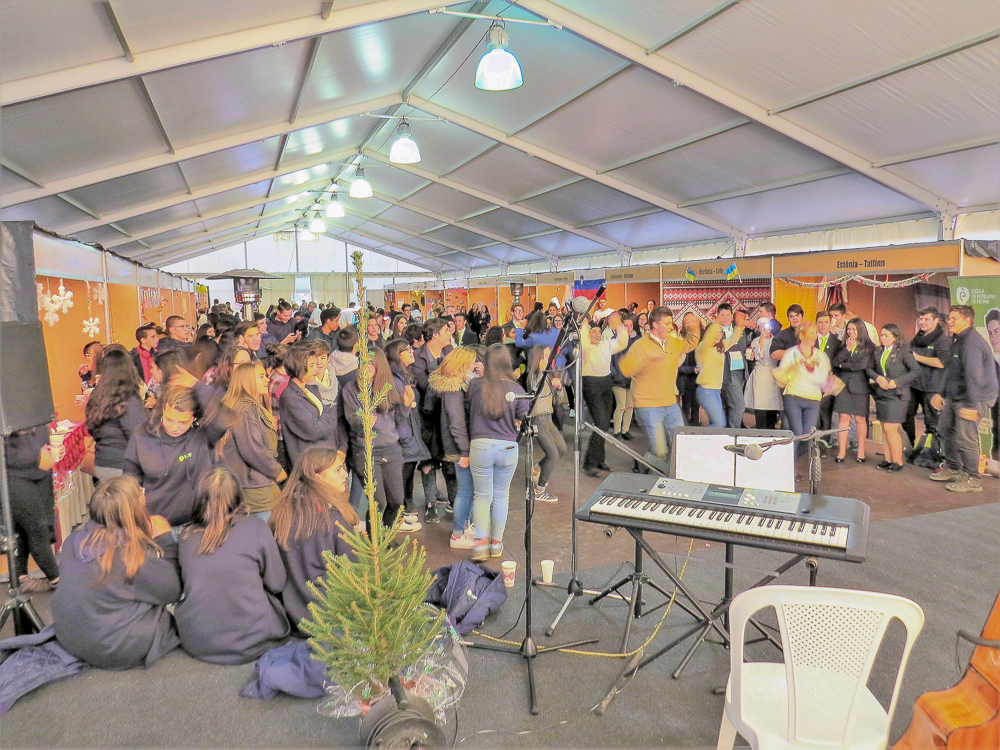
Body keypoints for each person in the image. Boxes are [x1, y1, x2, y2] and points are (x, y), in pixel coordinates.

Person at [53, 475, 180, 669]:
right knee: (162, 612)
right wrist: (164, 538)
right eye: (140, 492)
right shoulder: (130, 557)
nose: (144, 492)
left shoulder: (73, 540)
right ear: (133, 511)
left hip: (69, 638)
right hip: (113, 648)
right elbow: (173, 590)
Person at [174, 467, 289, 665]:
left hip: (197, 641)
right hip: (255, 640)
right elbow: (277, 583)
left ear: (199, 497)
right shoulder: (256, 527)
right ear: (238, 495)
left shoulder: (186, 537)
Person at [270, 447, 359, 633]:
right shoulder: (335, 521)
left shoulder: (282, 513)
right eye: (338, 470)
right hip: (330, 623)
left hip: (291, 621)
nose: (345, 475)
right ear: (317, 477)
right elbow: (354, 575)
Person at [124, 380, 232, 526]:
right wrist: (135, 492)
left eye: (183, 422)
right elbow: (131, 472)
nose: (174, 428)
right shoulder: (141, 434)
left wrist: (197, 385)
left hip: (195, 522)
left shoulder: (202, 434)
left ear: (194, 418)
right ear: (162, 410)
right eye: (168, 419)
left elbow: (224, 417)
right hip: (155, 523)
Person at [341, 349, 419, 531]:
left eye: (370, 364)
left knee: (397, 501)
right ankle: (375, 542)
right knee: (378, 502)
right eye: (363, 363)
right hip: (366, 450)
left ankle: (385, 538)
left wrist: (406, 405)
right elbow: (352, 422)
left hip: (391, 448)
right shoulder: (351, 389)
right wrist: (363, 422)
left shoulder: (388, 387)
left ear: (379, 366)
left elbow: (398, 420)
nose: (366, 368)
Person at [928, 305, 998, 493]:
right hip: (958, 394)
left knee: (966, 437)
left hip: (977, 397)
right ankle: (953, 469)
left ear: (967, 321)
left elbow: (974, 377)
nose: (949, 322)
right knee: (945, 429)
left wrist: (971, 405)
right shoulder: (957, 339)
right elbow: (951, 370)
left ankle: (973, 479)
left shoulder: (971, 342)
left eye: (954, 319)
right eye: (949, 318)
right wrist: (941, 393)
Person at [467, 344, 528, 561]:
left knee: (482, 496)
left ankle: (480, 546)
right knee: (502, 495)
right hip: (507, 447)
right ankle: (496, 544)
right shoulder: (516, 389)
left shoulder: (475, 385)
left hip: (480, 446)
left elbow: (468, 409)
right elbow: (523, 417)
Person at [619, 306, 701, 461]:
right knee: (660, 452)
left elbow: (690, 344)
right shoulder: (640, 345)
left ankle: (665, 471)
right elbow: (625, 369)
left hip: (670, 403)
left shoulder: (673, 342)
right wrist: (647, 358)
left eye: (671, 323)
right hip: (648, 405)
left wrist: (693, 326)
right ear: (655, 325)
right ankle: (647, 468)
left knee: (680, 445)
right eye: (667, 323)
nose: (671, 326)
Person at [215, 361, 287, 520]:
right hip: (255, 489)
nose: (267, 379)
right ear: (247, 380)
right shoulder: (246, 409)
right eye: (261, 376)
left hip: (245, 487)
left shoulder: (240, 406)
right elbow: (252, 449)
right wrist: (276, 470)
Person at [428, 347, 479, 549]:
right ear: (462, 364)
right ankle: (458, 534)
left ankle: (464, 526)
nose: (474, 365)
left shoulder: (455, 386)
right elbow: (456, 423)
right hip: (459, 448)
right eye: (472, 361)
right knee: (466, 490)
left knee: (468, 489)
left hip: (459, 445)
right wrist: (465, 452)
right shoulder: (454, 389)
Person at [4, 426, 60, 592]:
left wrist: (50, 449)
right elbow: (4, 453)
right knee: (37, 528)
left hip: (40, 472)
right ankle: (57, 579)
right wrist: (37, 455)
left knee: (25, 528)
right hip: (15, 476)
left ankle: (20, 577)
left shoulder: (33, 410)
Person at [411, 317, 455, 523]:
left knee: (449, 461)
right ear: (435, 334)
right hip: (426, 416)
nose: (450, 333)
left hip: (447, 414)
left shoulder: (450, 352)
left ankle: (454, 501)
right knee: (428, 461)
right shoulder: (417, 357)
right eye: (446, 330)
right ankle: (430, 504)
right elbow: (424, 384)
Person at [384, 339, 433, 526]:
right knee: (403, 471)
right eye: (407, 350)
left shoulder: (404, 373)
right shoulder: (395, 378)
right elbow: (398, 411)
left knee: (408, 469)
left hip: (409, 429)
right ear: (397, 355)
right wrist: (405, 436)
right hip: (403, 432)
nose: (412, 351)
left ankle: (405, 504)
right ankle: (401, 509)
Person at [279, 341, 347, 468]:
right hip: (311, 465)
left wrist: (342, 446)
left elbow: (336, 421)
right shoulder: (290, 397)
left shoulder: (313, 390)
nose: (316, 368)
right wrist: (330, 410)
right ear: (299, 366)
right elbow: (314, 430)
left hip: (329, 457)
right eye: (311, 365)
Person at [86, 349, 147, 482]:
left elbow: (91, 428)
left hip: (101, 464)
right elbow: (137, 436)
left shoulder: (96, 396)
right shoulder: (129, 399)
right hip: (125, 466)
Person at [773, 322, 833, 455]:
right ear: (801, 336)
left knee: (807, 436)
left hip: (813, 400)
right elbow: (780, 379)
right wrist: (790, 370)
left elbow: (825, 377)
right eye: (812, 333)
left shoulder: (821, 356)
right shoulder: (790, 353)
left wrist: (828, 386)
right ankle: (790, 464)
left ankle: (793, 460)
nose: (815, 336)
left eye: (816, 333)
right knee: (797, 433)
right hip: (793, 398)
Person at [579, 314, 627, 476]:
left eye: (599, 331)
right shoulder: (581, 348)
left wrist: (619, 326)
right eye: (594, 331)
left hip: (606, 383)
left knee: (604, 424)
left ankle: (599, 460)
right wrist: (584, 327)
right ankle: (589, 464)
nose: (597, 334)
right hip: (591, 385)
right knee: (600, 424)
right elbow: (584, 349)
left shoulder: (605, 344)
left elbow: (622, 343)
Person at [867, 324, 919, 471]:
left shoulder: (903, 352)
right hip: (882, 393)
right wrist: (878, 378)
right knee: (884, 427)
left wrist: (897, 382)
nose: (882, 338)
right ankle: (888, 458)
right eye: (881, 335)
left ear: (895, 337)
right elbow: (869, 368)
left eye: (886, 335)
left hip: (898, 394)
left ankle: (898, 461)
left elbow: (916, 371)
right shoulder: (878, 351)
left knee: (891, 428)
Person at [903, 307, 951, 457]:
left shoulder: (942, 340)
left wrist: (917, 358)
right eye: (921, 319)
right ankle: (909, 448)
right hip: (913, 384)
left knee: (932, 422)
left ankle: (935, 455)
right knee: (906, 416)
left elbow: (941, 363)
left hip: (932, 387)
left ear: (936, 320)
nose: (922, 322)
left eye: (926, 319)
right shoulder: (918, 338)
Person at [526, 346, 567, 502]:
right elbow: (534, 388)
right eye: (546, 356)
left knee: (562, 449)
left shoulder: (548, 375)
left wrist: (559, 387)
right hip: (538, 418)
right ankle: (539, 490)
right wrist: (546, 373)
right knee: (553, 454)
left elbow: (558, 398)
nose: (550, 359)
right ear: (538, 359)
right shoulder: (534, 376)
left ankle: (537, 468)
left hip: (548, 418)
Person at [832, 318, 875, 463]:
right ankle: (841, 450)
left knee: (859, 419)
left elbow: (863, 365)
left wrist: (844, 366)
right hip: (843, 385)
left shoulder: (869, 346)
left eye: (853, 329)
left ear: (860, 330)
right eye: (848, 329)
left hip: (860, 386)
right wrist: (847, 350)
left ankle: (861, 450)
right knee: (843, 417)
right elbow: (835, 362)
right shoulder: (843, 345)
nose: (850, 332)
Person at [695, 312, 748, 427]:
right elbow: (709, 338)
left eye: (721, 332)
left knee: (719, 424)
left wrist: (739, 326)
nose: (719, 335)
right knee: (719, 424)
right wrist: (718, 322)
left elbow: (733, 339)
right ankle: (700, 437)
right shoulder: (703, 347)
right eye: (716, 332)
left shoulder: (719, 348)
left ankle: (706, 437)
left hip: (715, 391)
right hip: (706, 391)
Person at [715, 303, 750, 429]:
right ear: (717, 316)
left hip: (742, 371)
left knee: (728, 405)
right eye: (722, 315)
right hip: (727, 372)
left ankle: (726, 431)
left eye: (728, 315)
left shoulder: (739, 330)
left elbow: (744, 347)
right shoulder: (715, 331)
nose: (726, 318)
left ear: (732, 316)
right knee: (738, 405)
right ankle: (734, 433)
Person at [745, 310, 783, 429]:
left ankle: (771, 429)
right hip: (760, 375)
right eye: (761, 326)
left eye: (765, 325)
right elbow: (757, 356)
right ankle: (760, 430)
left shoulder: (776, 340)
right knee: (760, 405)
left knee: (772, 406)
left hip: (773, 375)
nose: (764, 328)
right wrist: (761, 339)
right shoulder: (755, 341)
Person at [814, 311, 844, 438]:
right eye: (820, 322)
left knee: (825, 414)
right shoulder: (810, 339)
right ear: (816, 323)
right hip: (811, 382)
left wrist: (830, 385)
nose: (823, 325)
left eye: (826, 322)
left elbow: (837, 367)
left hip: (828, 382)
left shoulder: (837, 343)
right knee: (812, 414)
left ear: (830, 323)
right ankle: (810, 442)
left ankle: (824, 442)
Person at [610, 315, 639, 439]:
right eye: (626, 325)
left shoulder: (637, 341)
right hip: (618, 379)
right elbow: (609, 361)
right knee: (621, 406)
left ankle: (625, 430)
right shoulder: (614, 341)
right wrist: (615, 374)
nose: (629, 328)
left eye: (631, 325)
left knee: (629, 406)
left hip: (632, 379)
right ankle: (616, 431)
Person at [677, 314, 703, 427]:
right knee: (686, 407)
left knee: (696, 406)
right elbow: (677, 367)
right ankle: (685, 428)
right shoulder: (681, 342)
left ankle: (696, 427)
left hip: (698, 379)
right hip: (686, 380)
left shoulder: (701, 342)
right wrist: (693, 369)